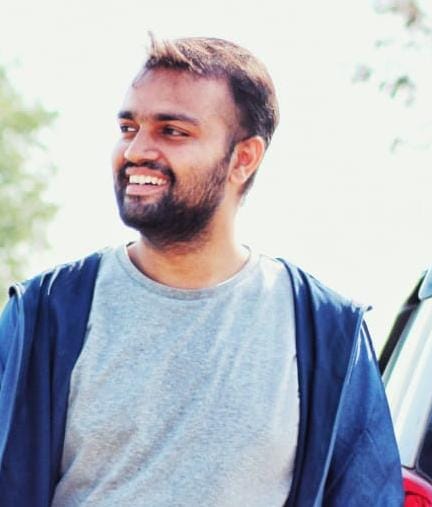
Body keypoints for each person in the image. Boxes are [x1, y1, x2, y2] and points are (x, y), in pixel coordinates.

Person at [0, 35, 404, 507]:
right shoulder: (43, 315)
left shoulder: (326, 333)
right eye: (129, 127)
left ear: (243, 158)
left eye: (172, 131)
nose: (136, 150)